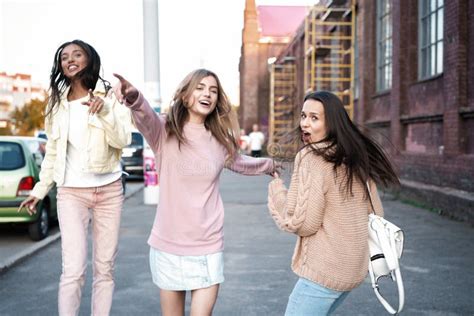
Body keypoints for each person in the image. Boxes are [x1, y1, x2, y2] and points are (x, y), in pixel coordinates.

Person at [113, 69, 279, 316]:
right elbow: (145, 116)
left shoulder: (219, 140)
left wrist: (271, 165)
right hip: (168, 245)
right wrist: (134, 97)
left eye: (213, 91)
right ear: (185, 95)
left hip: (208, 246)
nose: (207, 94)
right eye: (200, 88)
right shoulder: (164, 130)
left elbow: (242, 162)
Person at [18, 39, 132, 316]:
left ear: (89, 59)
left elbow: (123, 139)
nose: (70, 59)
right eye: (64, 56)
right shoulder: (56, 105)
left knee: (105, 268)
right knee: (73, 269)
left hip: (108, 190)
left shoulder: (110, 96)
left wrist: (104, 111)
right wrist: (39, 190)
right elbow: (53, 152)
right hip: (71, 192)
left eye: (77, 54)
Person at [267, 91, 399, 315]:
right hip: (352, 269)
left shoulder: (311, 157)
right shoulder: (354, 155)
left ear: (332, 123)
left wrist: (276, 191)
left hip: (324, 270)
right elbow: (376, 211)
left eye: (314, 118)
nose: (305, 124)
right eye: (303, 116)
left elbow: (304, 223)